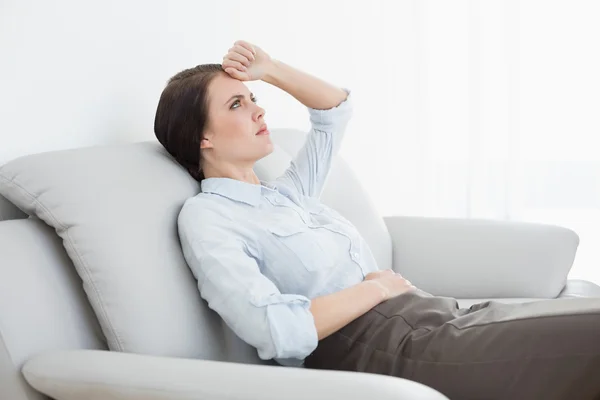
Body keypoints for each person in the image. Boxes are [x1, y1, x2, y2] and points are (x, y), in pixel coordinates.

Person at [154, 40, 600, 400]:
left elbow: (333, 111)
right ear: (203, 137)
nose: (259, 109)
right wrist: (377, 287)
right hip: (381, 348)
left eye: (255, 97)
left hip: (433, 314)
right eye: (237, 103)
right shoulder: (209, 218)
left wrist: (269, 69)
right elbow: (277, 330)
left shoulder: (287, 193)